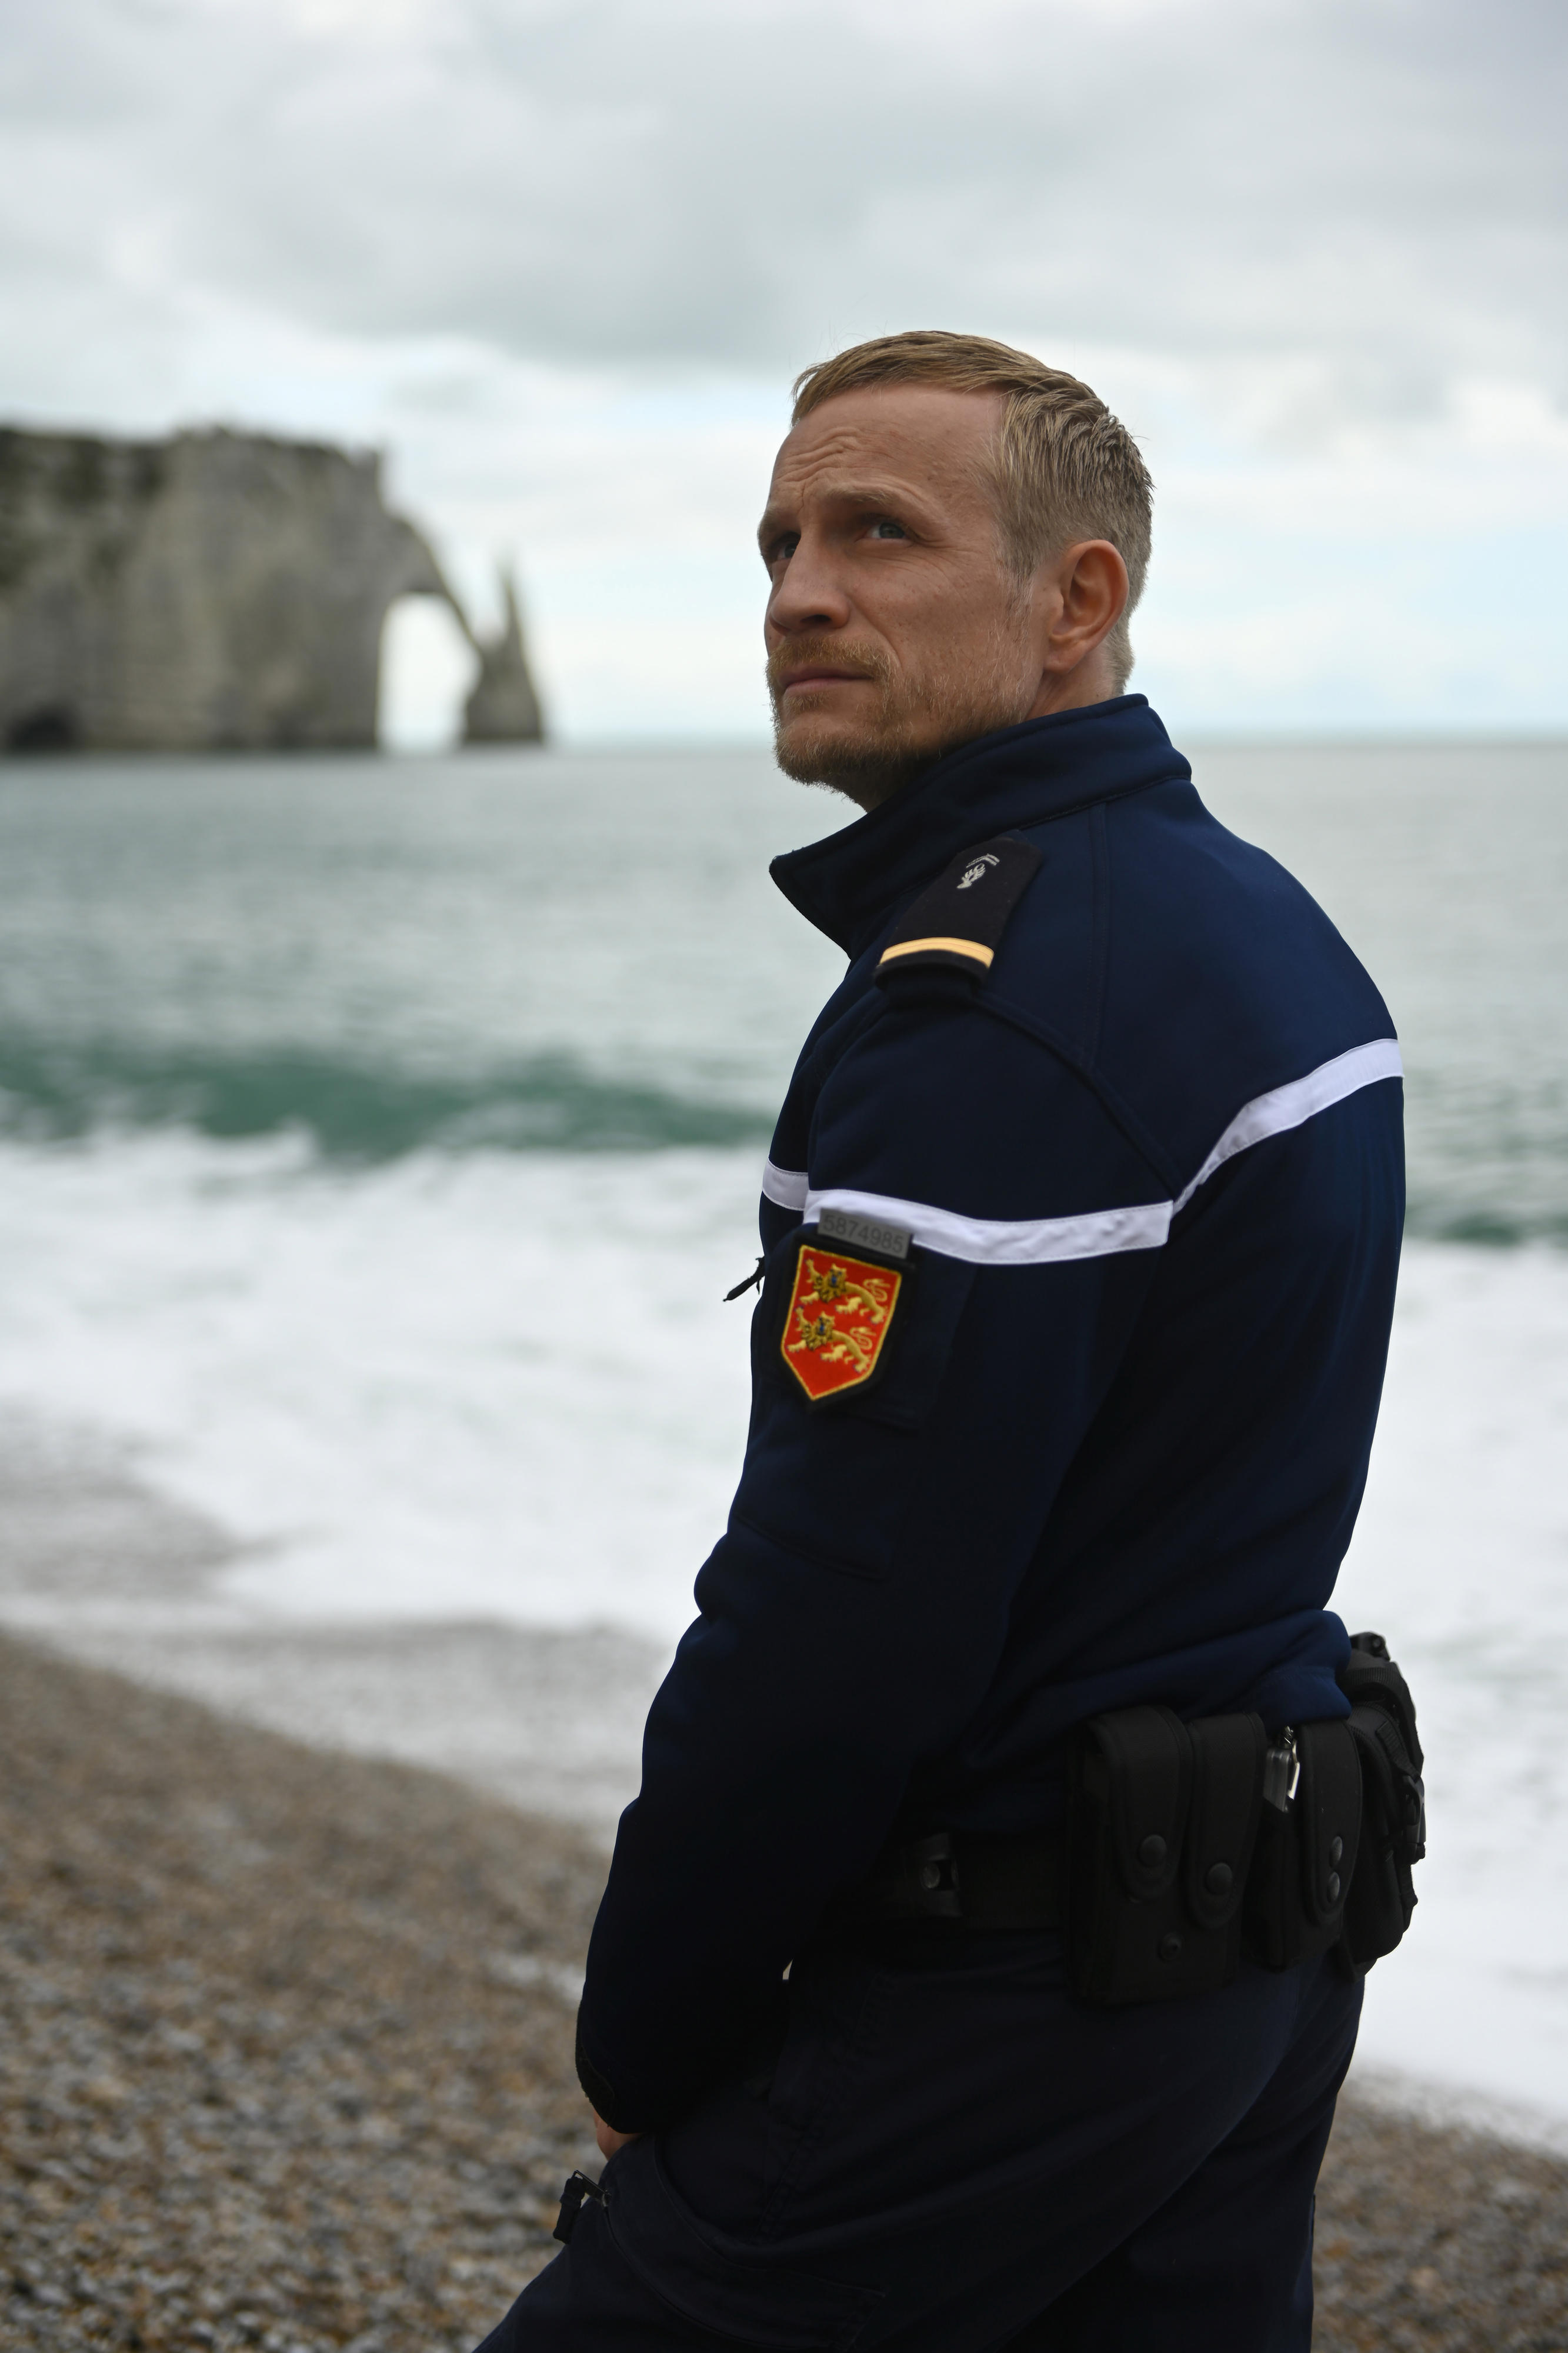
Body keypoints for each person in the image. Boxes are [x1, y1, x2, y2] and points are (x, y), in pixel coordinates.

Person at [476, 331, 1404, 2351]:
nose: (799, 594)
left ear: (1075, 599)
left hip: (1019, 1987)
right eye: (780, 542)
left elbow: (844, 1608)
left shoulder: (990, 1013)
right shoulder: (1246, 919)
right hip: (1248, 1935)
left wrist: (652, 2026)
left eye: (878, 535)